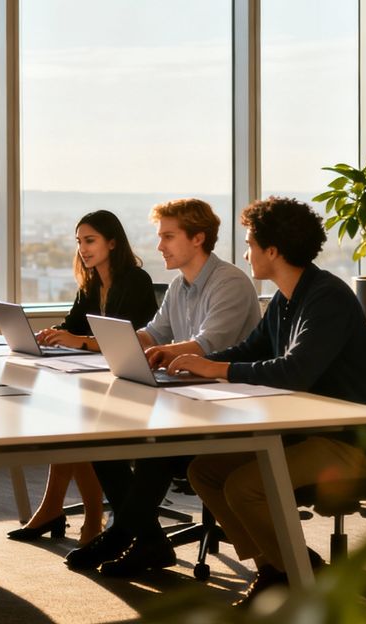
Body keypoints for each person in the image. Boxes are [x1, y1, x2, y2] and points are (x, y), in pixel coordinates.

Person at [166, 197, 366, 606]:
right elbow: (249, 350)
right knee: (206, 472)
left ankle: (302, 573)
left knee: (246, 487)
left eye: (250, 243)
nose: (245, 251)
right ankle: (277, 567)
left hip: (351, 442)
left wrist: (216, 371)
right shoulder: (286, 300)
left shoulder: (327, 298)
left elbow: (294, 371)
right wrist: (191, 364)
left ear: (272, 251)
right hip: (306, 433)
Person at [66, 197, 260, 577]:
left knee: (156, 448)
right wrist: (116, 341)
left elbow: (207, 344)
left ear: (198, 238)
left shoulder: (230, 282)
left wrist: (156, 351)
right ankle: (149, 541)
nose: (159, 246)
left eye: (168, 237)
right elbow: (152, 333)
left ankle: (124, 535)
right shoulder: (179, 285)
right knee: (101, 438)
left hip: (228, 405)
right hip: (187, 398)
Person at [9, 210, 158, 546]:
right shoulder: (92, 283)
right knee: (70, 424)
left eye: (90, 241)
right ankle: (55, 509)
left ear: (113, 242)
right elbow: (74, 326)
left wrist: (80, 342)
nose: (83, 249)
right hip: (102, 378)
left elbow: (129, 339)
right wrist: (52, 334)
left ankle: (90, 518)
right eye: (79, 242)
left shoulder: (135, 281)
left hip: (135, 383)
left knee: (80, 428)